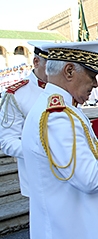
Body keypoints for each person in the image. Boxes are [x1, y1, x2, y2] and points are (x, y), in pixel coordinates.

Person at [21, 41, 98, 239]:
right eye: (92, 76)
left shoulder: (59, 109)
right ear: (69, 71)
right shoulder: (58, 117)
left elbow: (76, 162)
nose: (97, 84)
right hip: (72, 229)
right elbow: (89, 178)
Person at [0, 41, 49, 197]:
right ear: (36, 62)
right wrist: (43, 151)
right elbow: (8, 140)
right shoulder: (17, 94)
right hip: (38, 176)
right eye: (50, 65)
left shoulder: (66, 90)